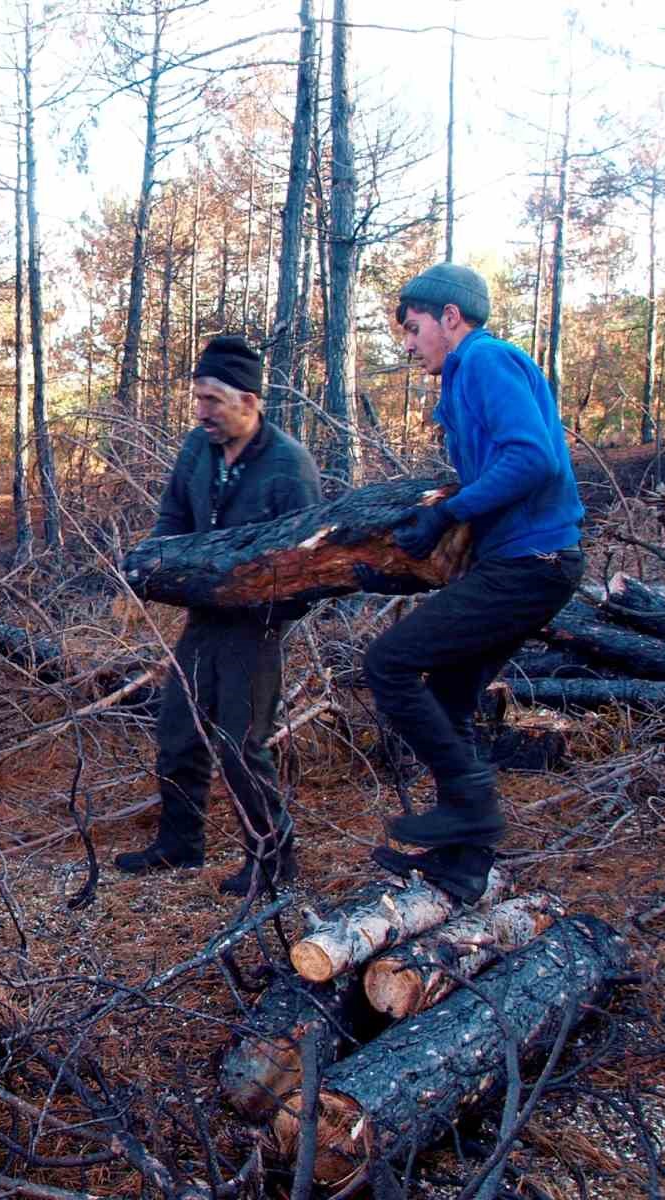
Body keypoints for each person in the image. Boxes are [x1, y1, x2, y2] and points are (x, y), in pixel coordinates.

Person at [364, 263, 584, 902]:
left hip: (533, 564)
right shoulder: (465, 377)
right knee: (453, 697)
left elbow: (532, 458)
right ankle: (463, 867)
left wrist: (449, 512)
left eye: (412, 328)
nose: (408, 344)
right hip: (519, 564)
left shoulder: (486, 361)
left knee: (390, 663)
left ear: (449, 318)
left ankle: (474, 814)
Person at [115, 335, 321, 895]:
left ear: (250, 402)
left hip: (256, 628)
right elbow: (172, 519)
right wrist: (151, 568)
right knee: (178, 732)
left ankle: (273, 860)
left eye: (213, 400)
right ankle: (180, 847)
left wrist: (264, 601)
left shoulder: (289, 467)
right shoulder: (197, 450)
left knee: (239, 745)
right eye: (198, 398)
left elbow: (314, 566)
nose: (201, 411)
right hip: (203, 618)